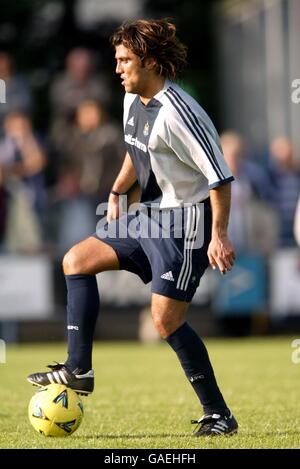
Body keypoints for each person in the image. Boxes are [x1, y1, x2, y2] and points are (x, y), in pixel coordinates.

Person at [27, 19, 237, 437]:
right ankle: (79, 368)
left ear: (152, 62)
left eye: (125, 60)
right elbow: (135, 147)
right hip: (149, 212)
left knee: (165, 322)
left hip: (185, 223)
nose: (118, 68)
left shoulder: (180, 114)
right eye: (116, 59)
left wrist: (219, 235)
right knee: (76, 261)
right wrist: (120, 188)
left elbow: (220, 177)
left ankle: (219, 415)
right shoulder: (131, 98)